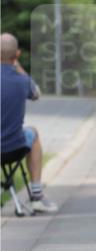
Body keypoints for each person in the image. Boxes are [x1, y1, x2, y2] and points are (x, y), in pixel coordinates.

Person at [0, 33, 58, 213]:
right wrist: (18, 66)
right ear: (16, 55)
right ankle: (36, 195)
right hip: (15, 146)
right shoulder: (23, 81)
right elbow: (37, 94)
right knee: (33, 133)